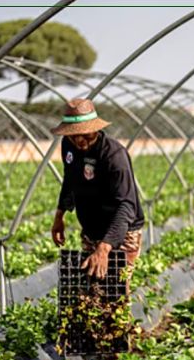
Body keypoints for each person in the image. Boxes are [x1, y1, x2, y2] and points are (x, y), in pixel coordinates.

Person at [50, 98, 144, 281]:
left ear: (96, 128)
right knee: (90, 285)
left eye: (85, 134)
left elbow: (126, 206)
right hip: (91, 229)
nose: (79, 140)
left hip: (122, 231)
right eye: (73, 134)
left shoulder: (114, 156)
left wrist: (104, 248)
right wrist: (59, 216)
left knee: (114, 288)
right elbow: (70, 179)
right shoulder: (68, 145)